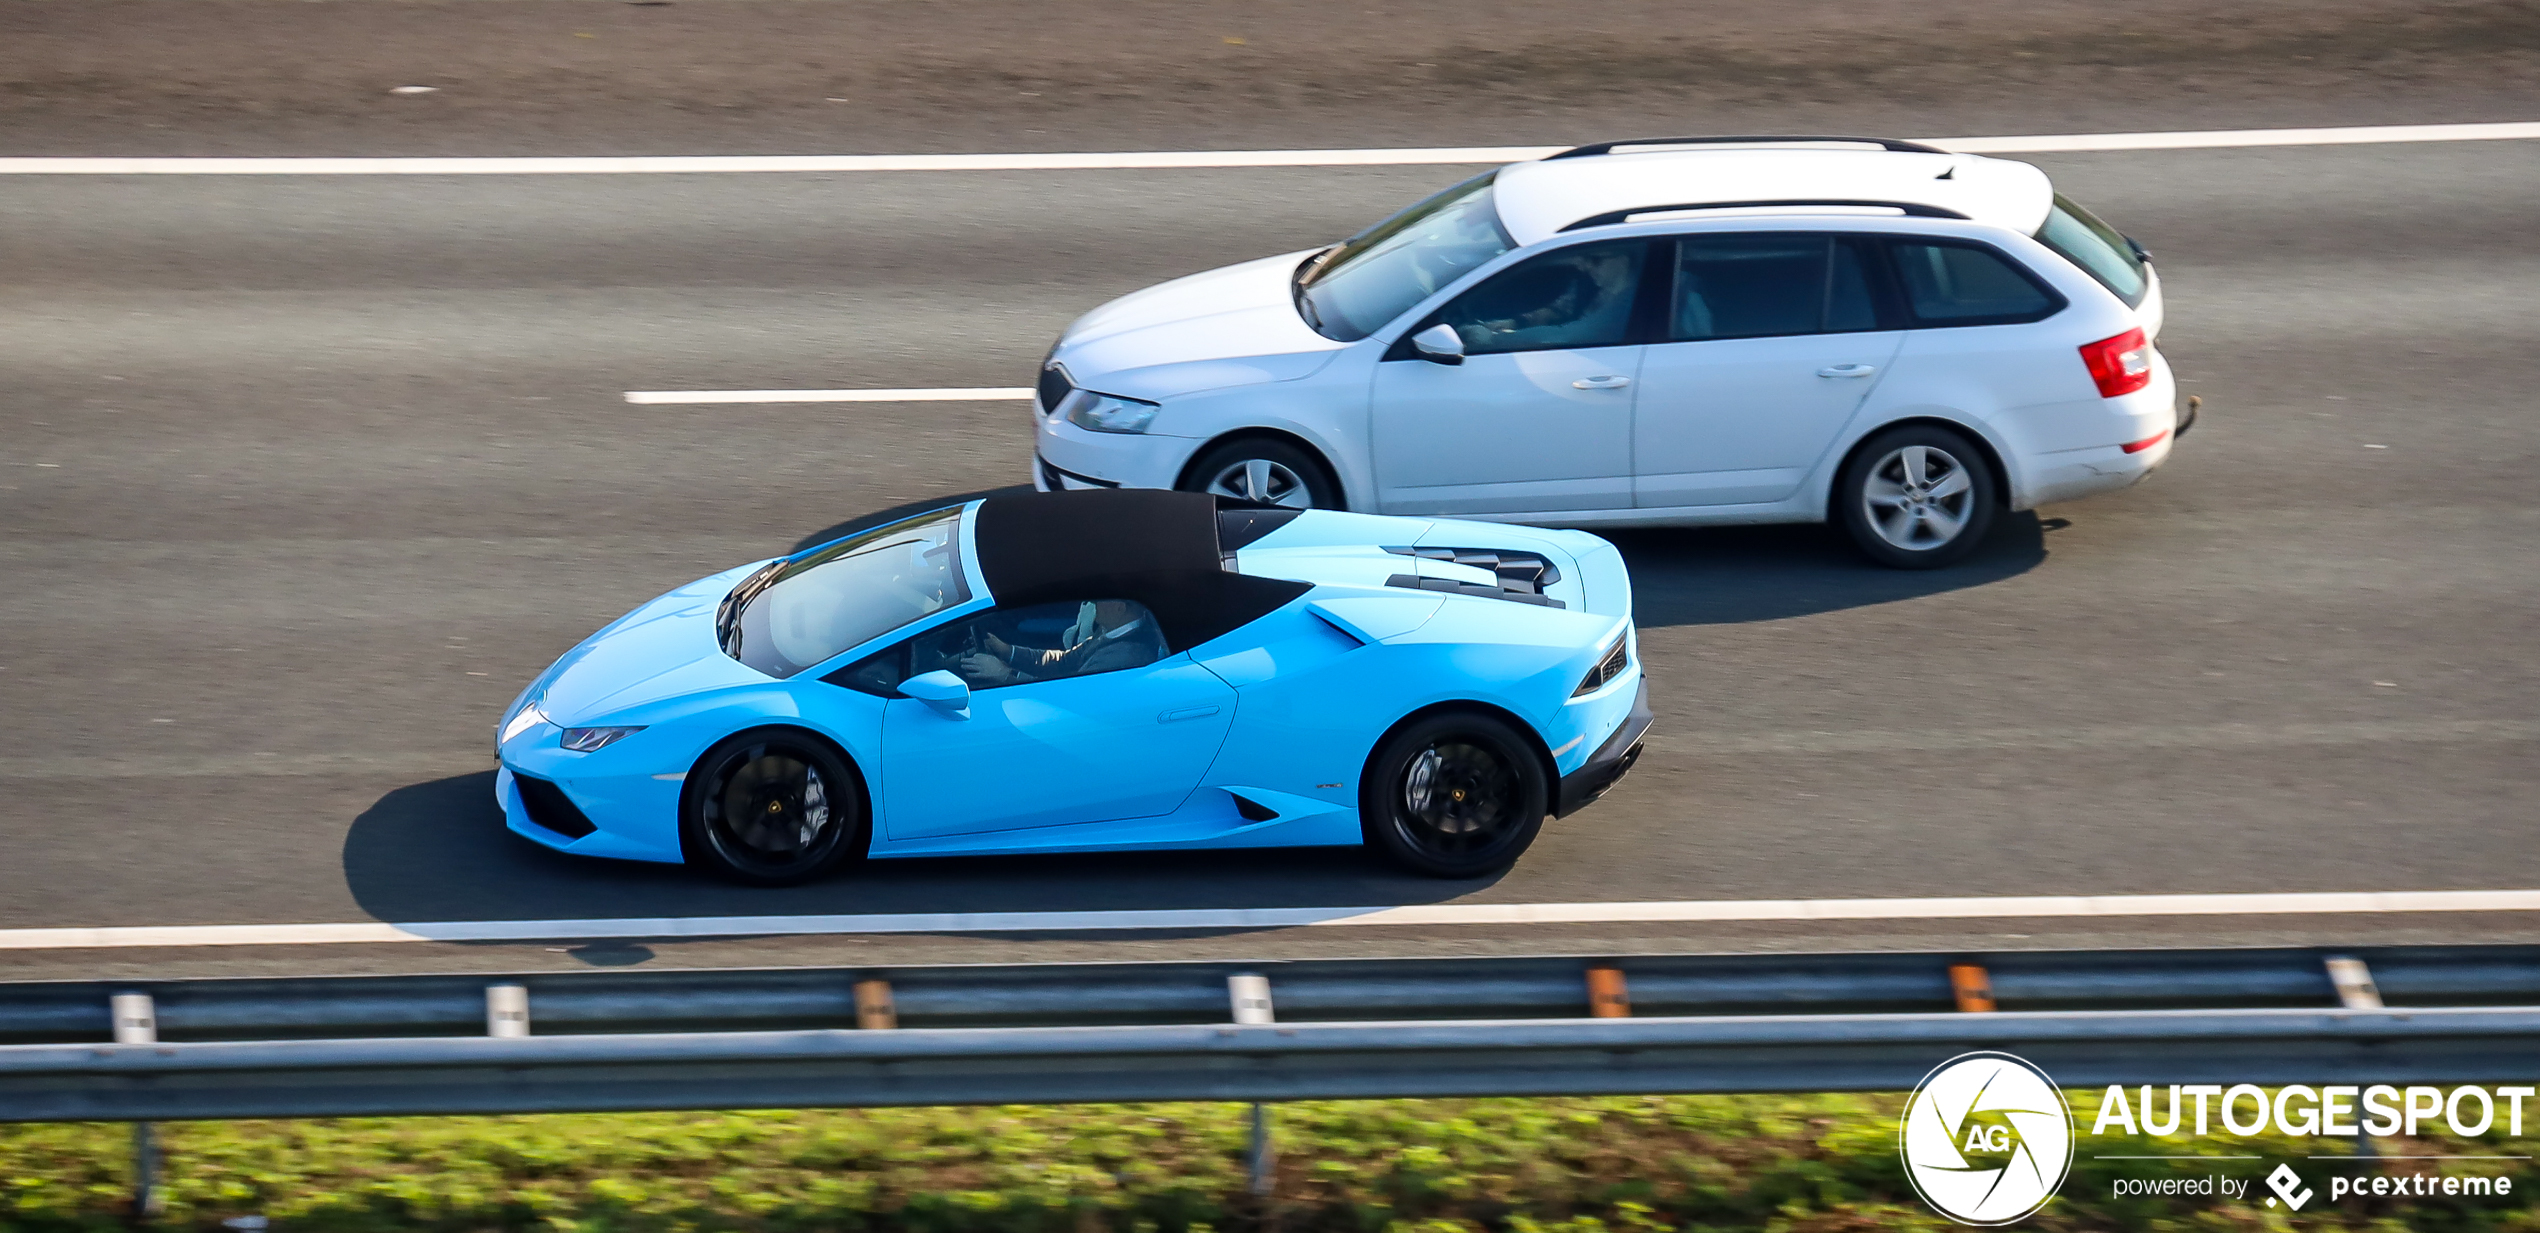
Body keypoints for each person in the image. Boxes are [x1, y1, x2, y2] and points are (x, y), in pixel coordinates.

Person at [956, 600, 1165, 686]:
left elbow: (1069, 692)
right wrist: (1007, 651)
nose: (1092, 601)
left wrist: (1004, 675)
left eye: (1102, 599)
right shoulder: (1112, 631)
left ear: (1119, 609)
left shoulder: (1124, 656)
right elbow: (1065, 661)